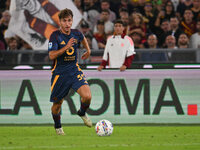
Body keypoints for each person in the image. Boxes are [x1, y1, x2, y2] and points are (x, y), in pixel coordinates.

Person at [48, 8, 92, 135]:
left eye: (69, 21)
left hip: (74, 70)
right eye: (64, 21)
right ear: (60, 22)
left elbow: (82, 38)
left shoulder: (76, 33)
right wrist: (66, 47)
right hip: (60, 73)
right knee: (57, 105)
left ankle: (82, 112)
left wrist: (88, 50)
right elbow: (51, 55)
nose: (67, 24)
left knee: (87, 97)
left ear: (72, 21)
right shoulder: (55, 36)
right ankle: (58, 127)